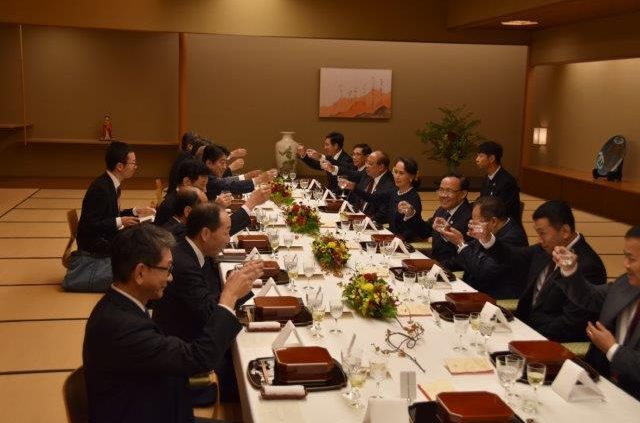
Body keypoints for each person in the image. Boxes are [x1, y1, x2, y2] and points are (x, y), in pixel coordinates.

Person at [83, 223, 262, 423]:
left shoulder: (122, 303)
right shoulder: (120, 326)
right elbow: (198, 358)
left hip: (156, 404)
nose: (170, 277)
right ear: (140, 273)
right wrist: (228, 297)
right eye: (166, 269)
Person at [153, 203, 260, 403]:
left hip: (189, 335)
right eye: (226, 232)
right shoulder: (184, 265)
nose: (229, 239)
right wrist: (234, 293)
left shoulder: (190, 248)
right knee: (250, 377)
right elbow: (210, 313)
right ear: (205, 233)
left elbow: (208, 299)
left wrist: (237, 289)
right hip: (188, 358)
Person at [473, 200, 607, 342]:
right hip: (523, 328)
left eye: (542, 233)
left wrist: (524, 334)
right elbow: (512, 256)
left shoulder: (589, 266)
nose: (539, 239)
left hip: (548, 341)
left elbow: (571, 324)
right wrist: (487, 239)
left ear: (565, 231)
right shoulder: (546, 248)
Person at [553, 226, 640, 400]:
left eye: (631, 258)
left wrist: (612, 349)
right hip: (601, 386)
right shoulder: (625, 283)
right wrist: (569, 269)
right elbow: (589, 297)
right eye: (625, 256)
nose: (625, 264)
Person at [63, 141, 155, 292]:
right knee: (138, 244)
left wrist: (135, 211)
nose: (135, 166)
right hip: (94, 246)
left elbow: (110, 215)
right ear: (120, 166)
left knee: (142, 235)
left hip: (104, 237)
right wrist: (120, 221)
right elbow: (89, 226)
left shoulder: (110, 184)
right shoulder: (100, 189)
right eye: (133, 163)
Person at [439, 196, 528, 299]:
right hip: (473, 288)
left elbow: (482, 272)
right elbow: (470, 253)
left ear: (493, 221)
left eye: (477, 221)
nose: (472, 225)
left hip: (493, 297)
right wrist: (438, 266)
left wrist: (460, 243)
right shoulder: (490, 230)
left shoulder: (513, 238)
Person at [402, 174, 473, 271]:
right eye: (441, 190)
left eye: (448, 191)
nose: (443, 195)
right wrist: (411, 214)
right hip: (435, 266)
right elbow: (426, 231)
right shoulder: (442, 210)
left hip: (452, 272)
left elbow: (468, 255)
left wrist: (436, 266)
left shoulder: (470, 217)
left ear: (463, 194)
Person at [340, 150, 394, 224]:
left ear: (381, 167)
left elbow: (382, 215)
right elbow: (357, 200)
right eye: (366, 162)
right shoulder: (367, 175)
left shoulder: (389, 185)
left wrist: (361, 221)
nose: (366, 166)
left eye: (370, 163)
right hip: (356, 218)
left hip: (371, 225)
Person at [203, 145, 274, 200]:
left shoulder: (209, 175)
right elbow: (230, 185)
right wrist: (259, 179)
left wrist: (247, 176)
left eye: (225, 163)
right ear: (209, 163)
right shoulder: (206, 178)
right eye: (222, 163)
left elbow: (224, 181)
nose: (225, 167)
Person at [475, 141, 521, 224]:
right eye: (477, 156)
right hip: (489, 220)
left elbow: (504, 211)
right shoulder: (486, 178)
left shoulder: (507, 181)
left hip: (504, 226)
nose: (477, 159)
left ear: (492, 158)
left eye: (481, 156)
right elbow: (482, 201)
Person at [156, 159, 211, 226]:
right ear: (187, 182)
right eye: (202, 185)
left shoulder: (180, 198)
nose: (205, 190)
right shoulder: (170, 206)